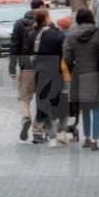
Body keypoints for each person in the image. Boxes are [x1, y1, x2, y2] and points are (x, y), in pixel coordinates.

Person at [64, 7, 99, 151]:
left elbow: (67, 57)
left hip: (80, 75)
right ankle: (96, 140)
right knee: (96, 108)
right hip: (96, 74)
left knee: (84, 108)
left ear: (78, 19)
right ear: (91, 18)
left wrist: (75, 68)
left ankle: (87, 137)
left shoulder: (71, 36)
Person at [29, 9, 65, 146]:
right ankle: (54, 133)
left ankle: (42, 133)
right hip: (55, 71)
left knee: (42, 102)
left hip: (39, 72)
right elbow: (63, 50)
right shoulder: (55, 35)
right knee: (55, 102)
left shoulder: (32, 34)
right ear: (46, 18)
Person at [8, 0, 42, 141]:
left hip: (25, 66)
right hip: (44, 67)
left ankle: (26, 117)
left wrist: (12, 66)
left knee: (23, 97)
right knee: (43, 99)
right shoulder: (45, 24)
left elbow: (14, 46)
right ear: (40, 8)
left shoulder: (19, 24)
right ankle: (38, 133)